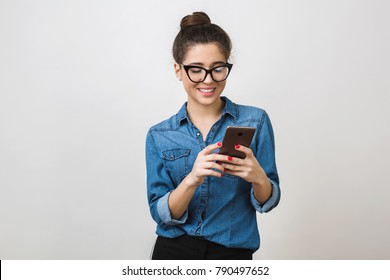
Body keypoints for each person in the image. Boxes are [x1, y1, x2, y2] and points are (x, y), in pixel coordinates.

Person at [145, 11, 280, 260]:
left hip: (232, 253)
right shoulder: (160, 135)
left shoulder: (255, 121)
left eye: (218, 69)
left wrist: (259, 178)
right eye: (196, 70)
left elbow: (269, 201)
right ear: (178, 69)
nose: (207, 80)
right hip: (174, 252)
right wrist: (192, 179)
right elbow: (160, 212)